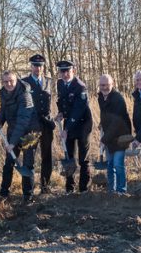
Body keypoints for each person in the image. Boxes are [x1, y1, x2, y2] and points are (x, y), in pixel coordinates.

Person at [0, 70, 41, 202]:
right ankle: (4, 193)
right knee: (9, 162)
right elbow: (3, 109)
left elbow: (23, 120)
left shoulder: (25, 95)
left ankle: (28, 196)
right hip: (14, 130)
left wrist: (12, 143)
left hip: (30, 132)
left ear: (16, 80)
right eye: (5, 81)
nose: (8, 84)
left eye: (11, 81)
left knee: (27, 163)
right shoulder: (3, 93)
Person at [56, 60, 93, 193]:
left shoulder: (80, 87)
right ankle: (69, 188)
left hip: (83, 124)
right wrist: (60, 112)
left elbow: (78, 111)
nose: (65, 74)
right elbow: (61, 100)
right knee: (69, 156)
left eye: (68, 71)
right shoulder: (60, 83)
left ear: (73, 71)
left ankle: (83, 189)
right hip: (69, 123)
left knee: (83, 158)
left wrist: (66, 129)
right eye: (62, 71)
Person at [21, 54, 56, 193]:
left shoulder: (49, 81)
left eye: (40, 65)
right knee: (28, 158)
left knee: (47, 157)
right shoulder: (23, 82)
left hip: (46, 125)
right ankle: (28, 192)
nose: (38, 68)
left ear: (43, 67)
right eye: (35, 65)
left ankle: (45, 187)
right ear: (31, 66)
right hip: (30, 127)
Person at [98, 74, 133, 195]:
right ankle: (111, 191)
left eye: (107, 85)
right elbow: (106, 114)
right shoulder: (101, 97)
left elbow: (117, 122)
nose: (104, 87)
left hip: (120, 137)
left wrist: (104, 139)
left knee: (118, 165)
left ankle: (121, 191)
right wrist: (101, 123)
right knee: (110, 165)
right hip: (109, 136)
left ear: (112, 84)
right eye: (102, 85)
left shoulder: (117, 99)